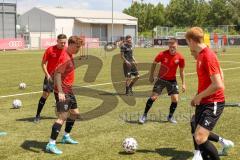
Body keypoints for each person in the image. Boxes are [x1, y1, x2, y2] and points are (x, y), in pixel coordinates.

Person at [185, 27, 226, 160]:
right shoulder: (201, 55)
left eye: (187, 41)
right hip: (204, 101)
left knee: (200, 137)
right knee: (198, 134)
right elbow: (220, 74)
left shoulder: (208, 55)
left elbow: (218, 84)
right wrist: (198, 97)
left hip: (213, 102)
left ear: (191, 40)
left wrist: (199, 96)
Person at [45, 36, 81, 155]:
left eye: (79, 47)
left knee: (75, 113)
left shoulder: (69, 54)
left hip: (68, 89)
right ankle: (51, 144)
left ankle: (66, 136)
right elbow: (57, 74)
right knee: (62, 117)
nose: (78, 49)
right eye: (77, 47)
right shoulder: (65, 56)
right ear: (70, 45)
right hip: (63, 91)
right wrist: (60, 91)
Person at [139, 38, 186, 124]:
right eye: (171, 46)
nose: (172, 48)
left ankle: (170, 117)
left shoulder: (180, 57)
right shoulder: (162, 54)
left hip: (172, 81)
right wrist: (151, 75)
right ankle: (144, 115)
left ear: (177, 46)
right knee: (153, 97)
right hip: (161, 79)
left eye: (174, 47)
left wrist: (183, 84)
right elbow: (154, 63)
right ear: (168, 46)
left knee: (175, 99)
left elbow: (182, 71)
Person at [34, 34, 67, 123]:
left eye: (64, 42)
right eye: (61, 43)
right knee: (45, 95)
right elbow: (43, 63)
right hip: (50, 77)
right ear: (57, 41)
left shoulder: (66, 51)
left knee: (59, 97)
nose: (63, 44)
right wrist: (47, 75)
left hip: (60, 78)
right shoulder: (50, 50)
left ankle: (60, 117)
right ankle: (37, 115)